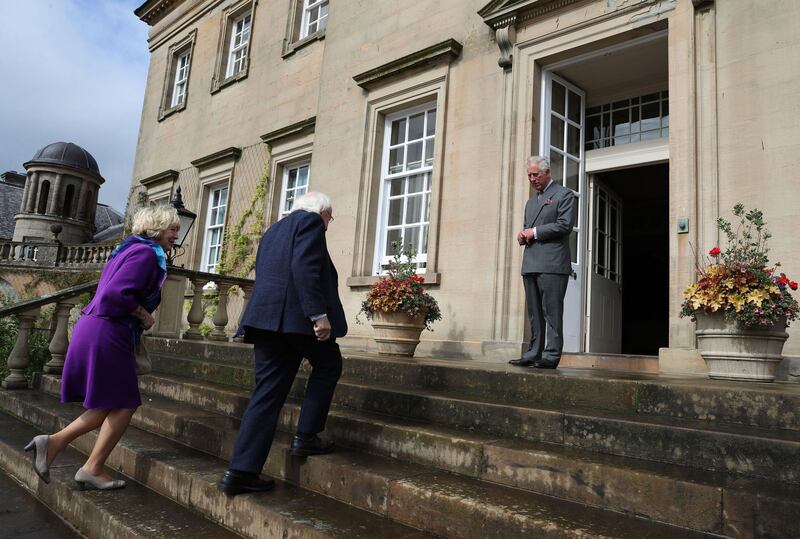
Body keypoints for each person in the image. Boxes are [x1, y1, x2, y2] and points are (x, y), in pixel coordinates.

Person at [24, 206, 180, 490]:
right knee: (125, 404)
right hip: (108, 329)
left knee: (112, 402)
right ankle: (91, 466)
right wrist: (144, 314)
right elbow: (114, 294)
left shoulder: (128, 250)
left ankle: (56, 445)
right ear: (157, 228)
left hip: (98, 326)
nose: (176, 235)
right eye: (173, 229)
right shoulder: (146, 254)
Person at [218, 191, 347, 496]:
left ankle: (240, 472)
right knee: (329, 364)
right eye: (330, 218)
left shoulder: (274, 230)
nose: (329, 224)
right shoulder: (311, 223)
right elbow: (304, 269)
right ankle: (306, 436)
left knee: (266, 395)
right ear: (323, 212)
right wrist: (319, 315)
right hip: (297, 322)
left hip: (266, 323)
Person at [509, 156, 577, 369]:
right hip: (530, 264)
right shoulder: (531, 202)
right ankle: (533, 352)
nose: (531, 179)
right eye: (529, 175)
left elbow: (564, 225)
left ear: (547, 173)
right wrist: (523, 235)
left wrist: (535, 232)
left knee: (552, 312)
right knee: (534, 313)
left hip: (553, 264)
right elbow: (529, 229)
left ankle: (551, 355)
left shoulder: (563, 194)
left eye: (535, 174)